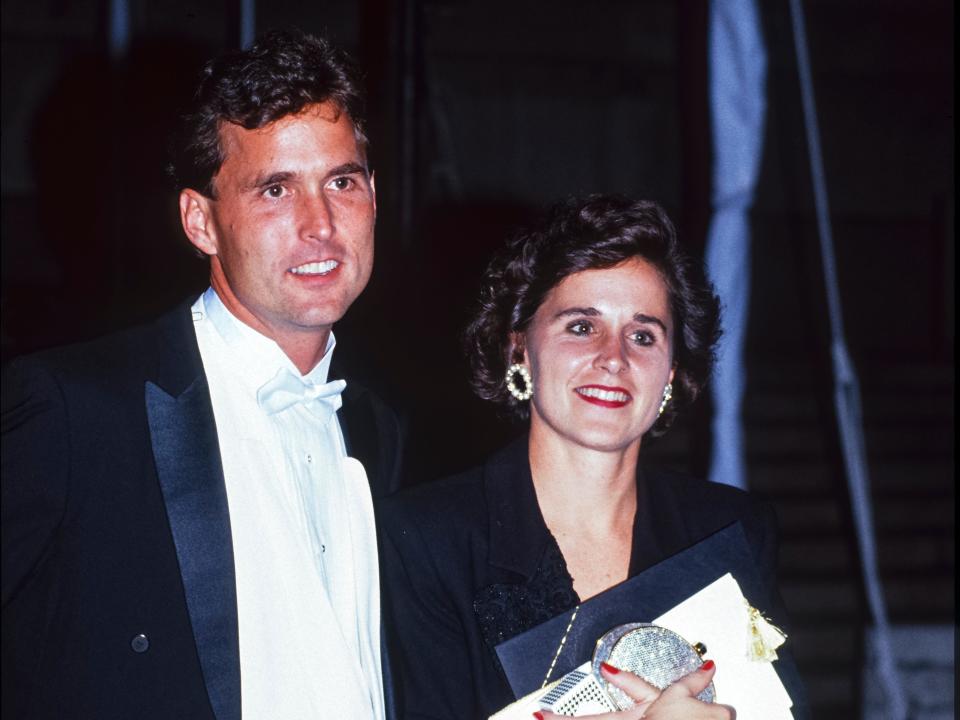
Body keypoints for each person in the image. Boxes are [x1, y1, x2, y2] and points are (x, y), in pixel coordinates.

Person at [2, 30, 401, 720]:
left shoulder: (379, 427)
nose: (321, 223)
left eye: (342, 181)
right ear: (201, 221)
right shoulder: (78, 409)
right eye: (275, 190)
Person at [380, 195, 807, 719]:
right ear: (520, 349)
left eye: (643, 335)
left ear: (670, 373)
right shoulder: (423, 540)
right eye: (582, 326)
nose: (614, 357)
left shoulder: (729, 530)